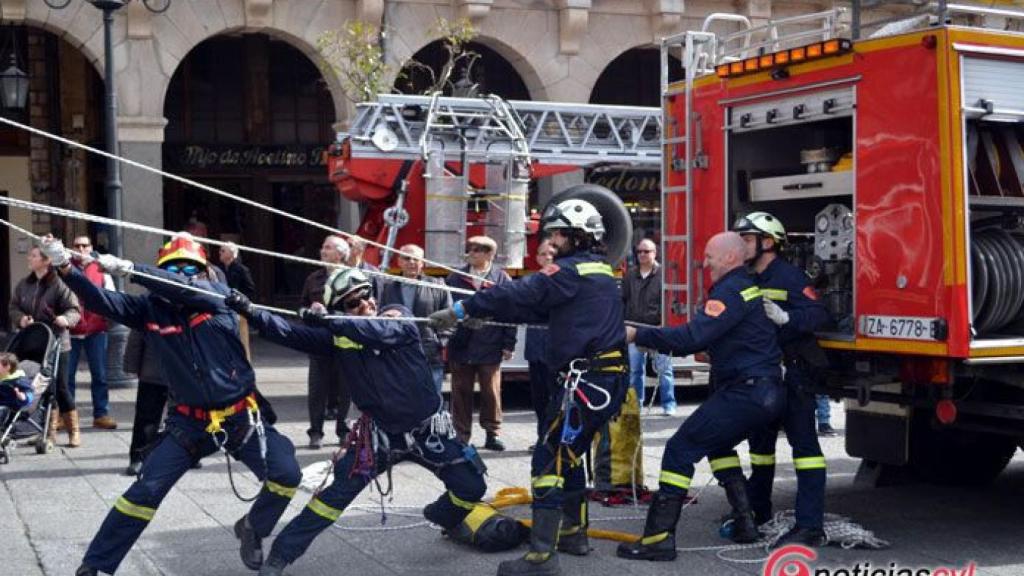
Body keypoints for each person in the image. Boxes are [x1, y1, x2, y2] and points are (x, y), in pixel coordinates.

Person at [224, 269, 526, 576]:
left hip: (428, 430)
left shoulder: (398, 317)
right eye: (353, 303)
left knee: (471, 486)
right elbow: (289, 333)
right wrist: (251, 312)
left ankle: (444, 517)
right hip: (378, 436)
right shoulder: (339, 337)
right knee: (330, 500)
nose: (364, 303)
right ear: (341, 309)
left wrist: (332, 320)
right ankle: (280, 557)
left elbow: (379, 330)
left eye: (366, 295)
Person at [41, 234, 302, 576]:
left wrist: (133, 269)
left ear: (203, 271)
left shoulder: (219, 299)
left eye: (189, 268)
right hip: (188, 424)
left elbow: (184, 288)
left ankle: (254, 526)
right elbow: (100, 300)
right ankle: (96, 566)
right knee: (144, 491)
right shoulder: (149, 309)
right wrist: (66, 268)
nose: (182, 274)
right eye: (174, 268)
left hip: (240, 417)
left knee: (286, 474)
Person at [430, 199, 629, 576]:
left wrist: (462, 310)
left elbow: (520, 293)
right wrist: (485, 313)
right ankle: (572, 533)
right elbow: (535, 309)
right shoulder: (597, 270)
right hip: (602, 381)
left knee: (547, 461)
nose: (552, 242)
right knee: (568, 456)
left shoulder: (570, 271)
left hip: (586, 383)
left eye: (557, 234)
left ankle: (542, 556)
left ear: (576, 234)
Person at [617, 231, 786, 562]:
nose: (704, 262)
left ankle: (658, 539)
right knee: (717, 443)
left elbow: (692, 337)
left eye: (709, 256)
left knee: (680, 449)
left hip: (747, 391)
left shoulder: (730, 290)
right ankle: (745, 521)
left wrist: (638, 333)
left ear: (729, 258)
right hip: (763, 391)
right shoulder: (745, 286)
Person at [729, 211, 830, 546]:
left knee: (805, 450)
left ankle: (809, 526)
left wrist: (787, 317)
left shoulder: (789, 276)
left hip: (795, 374)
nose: (740, 245)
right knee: (759, 449)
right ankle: (757, 513)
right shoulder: (742, 278)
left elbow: (819, 313)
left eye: (746, 239)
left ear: (767, 242)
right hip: (762, 376)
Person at [445, 235, 517, 451]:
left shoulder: (502, 279)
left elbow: (510, 313)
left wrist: (508, 344)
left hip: (491, 343)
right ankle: (460, 435)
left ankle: (492, 433)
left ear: (489, 254)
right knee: (460, 391)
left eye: (476, 250)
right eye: (470, 249)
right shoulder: (455, 278)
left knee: (491, 392)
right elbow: (447, 308)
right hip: (462, 343)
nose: (472, 253)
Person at [10, 245, 81, 448]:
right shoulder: (24, 284)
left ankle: (74, 431)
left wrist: (65, 319)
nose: (29, 259)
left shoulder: (59, 284)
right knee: (40, 385)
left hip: (58, 343)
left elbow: (74, 310)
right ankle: (47, 432)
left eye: (33, 256)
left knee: (60, 388)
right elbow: (13, 307)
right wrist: (21, 319)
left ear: (46, 260)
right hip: (33, 342)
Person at [300, 235, 352, 448]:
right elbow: (301, 306)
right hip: (319, 340)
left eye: (328, 248)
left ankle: (343, 431)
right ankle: (315, 432)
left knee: (345, 389)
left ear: (340, 254)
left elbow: (359, 308)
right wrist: (308, 313)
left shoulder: (352, 277)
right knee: (317, 389)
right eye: (323, 247)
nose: (323, 251)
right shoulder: (313, 278)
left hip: (345, 340)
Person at [379, 243, 452, 392]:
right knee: (402, 398)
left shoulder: (438, 286)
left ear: (422, 263)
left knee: (431, 399)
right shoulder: (388, 287)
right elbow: (381, 317)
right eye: (406, 258)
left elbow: (450, 317)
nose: (411, 262)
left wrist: (441, 341)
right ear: (399, 262)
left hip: (429, 353)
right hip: (397, 352)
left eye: (415, 259)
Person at [68, 235, 117, 430]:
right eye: (77, 245)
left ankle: (101, 414)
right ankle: (67, 416)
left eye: (84, 245)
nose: (80, 249)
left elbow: (111, 297)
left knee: (100, 375)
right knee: (66, 377)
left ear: (91, 247)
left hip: (96, 330)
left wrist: (105, 316)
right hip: (70, 331)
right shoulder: (63, 268)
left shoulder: (101, 269)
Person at [623, 238, 676, 415]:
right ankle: (636, 405)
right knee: (635, 370)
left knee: (664, 370)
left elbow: (669, 299)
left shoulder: (664, 274)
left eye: (646, 251)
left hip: (658, 328)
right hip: (634, 329)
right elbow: (624, 299)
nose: (642, 255)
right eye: (639, 252)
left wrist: (665, 322)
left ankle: (669, 405)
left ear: (655, 253)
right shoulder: (630, 274)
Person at [121, 328, 168, 477]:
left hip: (183, 371)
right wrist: (131, 365)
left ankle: (189, 454)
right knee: (146, 418)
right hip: (153, 370)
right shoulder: (150, 305)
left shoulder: (192, 305)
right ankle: (139, 457)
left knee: (186, 417)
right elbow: (137, 334)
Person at [525, 239, 556, 445]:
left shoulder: (564, 280)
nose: (547, 258)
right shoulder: (531, 281)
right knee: (539, 400)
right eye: (543, 254)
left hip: (557, 351)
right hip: (536, 350)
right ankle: (541, 438)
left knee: (556, 398)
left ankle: (554, 438)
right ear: (537, 258)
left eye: (551, 254)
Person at [219, 242, 257, 359]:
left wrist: (240, 300)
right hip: (223, 309)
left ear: (231, 254)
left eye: (223, 251)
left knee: (242, 340)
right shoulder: (219, 269)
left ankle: (245, 365)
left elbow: (250, 289)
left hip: (238, 310)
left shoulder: (241, 269)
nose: (219, 253)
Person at [0, 352, 34, 424]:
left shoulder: (18, 381)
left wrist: (24, 397)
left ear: (7, 367)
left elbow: (30, 393)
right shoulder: (2, 378)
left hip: (8, 408)